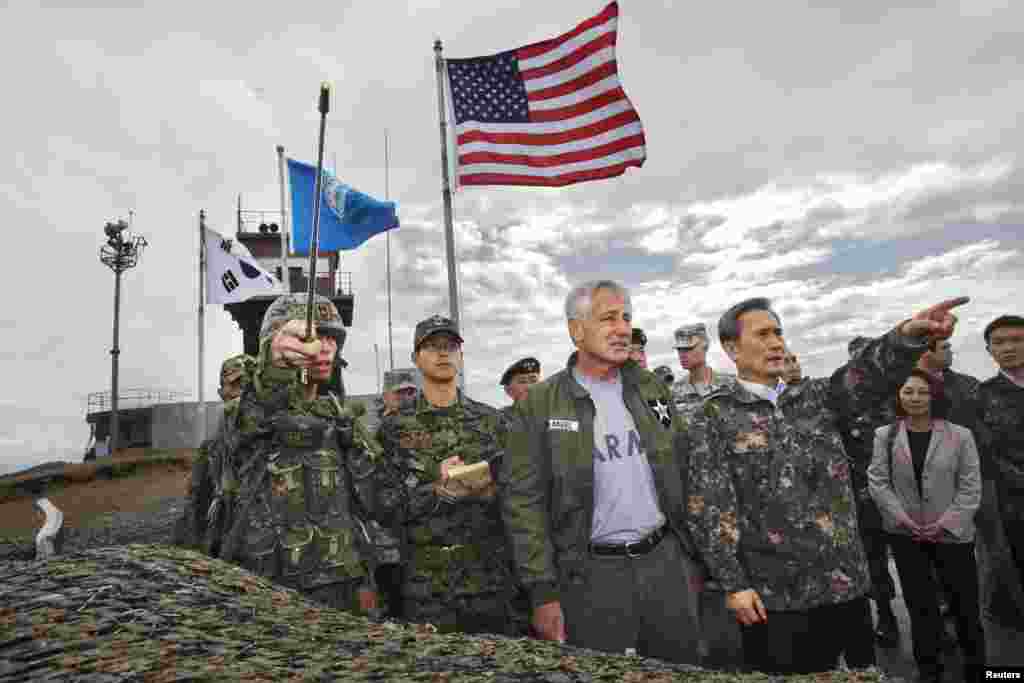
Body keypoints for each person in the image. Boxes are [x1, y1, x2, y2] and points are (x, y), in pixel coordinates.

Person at [686, 295, 966, 675]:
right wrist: (734, 585)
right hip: (776, 597)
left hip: (846, 585)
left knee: (862, 673)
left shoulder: (818, 399)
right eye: (763, 334)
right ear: (732, 348)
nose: (776, 342)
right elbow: (712, 506)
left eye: (779, 333)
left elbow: (870, 372)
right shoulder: (714, 417)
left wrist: (908, 333)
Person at [503, 280, 701, 664]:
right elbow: (522, 503)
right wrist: (543, 593)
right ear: (576, 330)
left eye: (626, 317)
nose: (623, 328)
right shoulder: (541, 404)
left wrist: (689, 561)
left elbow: (684, 471)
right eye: (608, 318)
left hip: (666, 565)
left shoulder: (651, 388)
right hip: (590, 577)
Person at [213, 293, 379, 614]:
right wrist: (276, 366)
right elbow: (257, 411)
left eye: (333, 337)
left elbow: (365, 505)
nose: (326, 345)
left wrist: (368, 581)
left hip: (341, 588)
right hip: (269, 591)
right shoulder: (249, 410)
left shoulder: (339, 415)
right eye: (314, 335)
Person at [370, 315, 520, 634]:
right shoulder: (394, 429)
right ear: (415, 358)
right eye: (432, 347)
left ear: (461, 357)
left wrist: (492, 492)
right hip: (427, 588)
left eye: (451, 347)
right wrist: (433, 490)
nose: (443, 354)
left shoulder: (493, 422)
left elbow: (521, 495)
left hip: (489, 582)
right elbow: (381, 506)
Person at [868, 369, 984, 683]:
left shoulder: (960, 435)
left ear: (934, 395)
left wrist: (946, 523)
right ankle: (929, 671)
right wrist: (901, 518)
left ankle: (981, 670)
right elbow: (878, 481)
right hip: (906, 535)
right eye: (909, 391)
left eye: (922, 391)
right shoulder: (885, 435)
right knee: (921, 607)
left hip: (953, 534)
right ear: (898, 395)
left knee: (965, 607)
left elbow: (971, 486)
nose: (915, 398)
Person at [831, 337, 902, 649]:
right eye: (855, 360)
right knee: (874, 559)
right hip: (863, 493)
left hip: (903, 491)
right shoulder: (841, 403)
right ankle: (886, 616)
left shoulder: (896, 394)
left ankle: (934, 615)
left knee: (916, 556)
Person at [975, 314, 1024, 665]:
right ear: (989, 351)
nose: (1008, 348)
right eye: (1000, 343)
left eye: (1016, 340)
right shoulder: (983, 395)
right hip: (1013, 500)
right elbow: (986, 452)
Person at [174, 353, 255, 554]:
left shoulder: (267, 431)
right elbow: (197, 501)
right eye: (233, 385)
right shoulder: (213, 445)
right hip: (226, 525)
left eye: (244, 385)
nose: (237, 394)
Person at [671, 322, 734, 420]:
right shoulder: (673, 394)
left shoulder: (731, 385)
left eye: (688, 348)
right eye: (679, 349)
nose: (682, 354)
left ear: (705, 346)